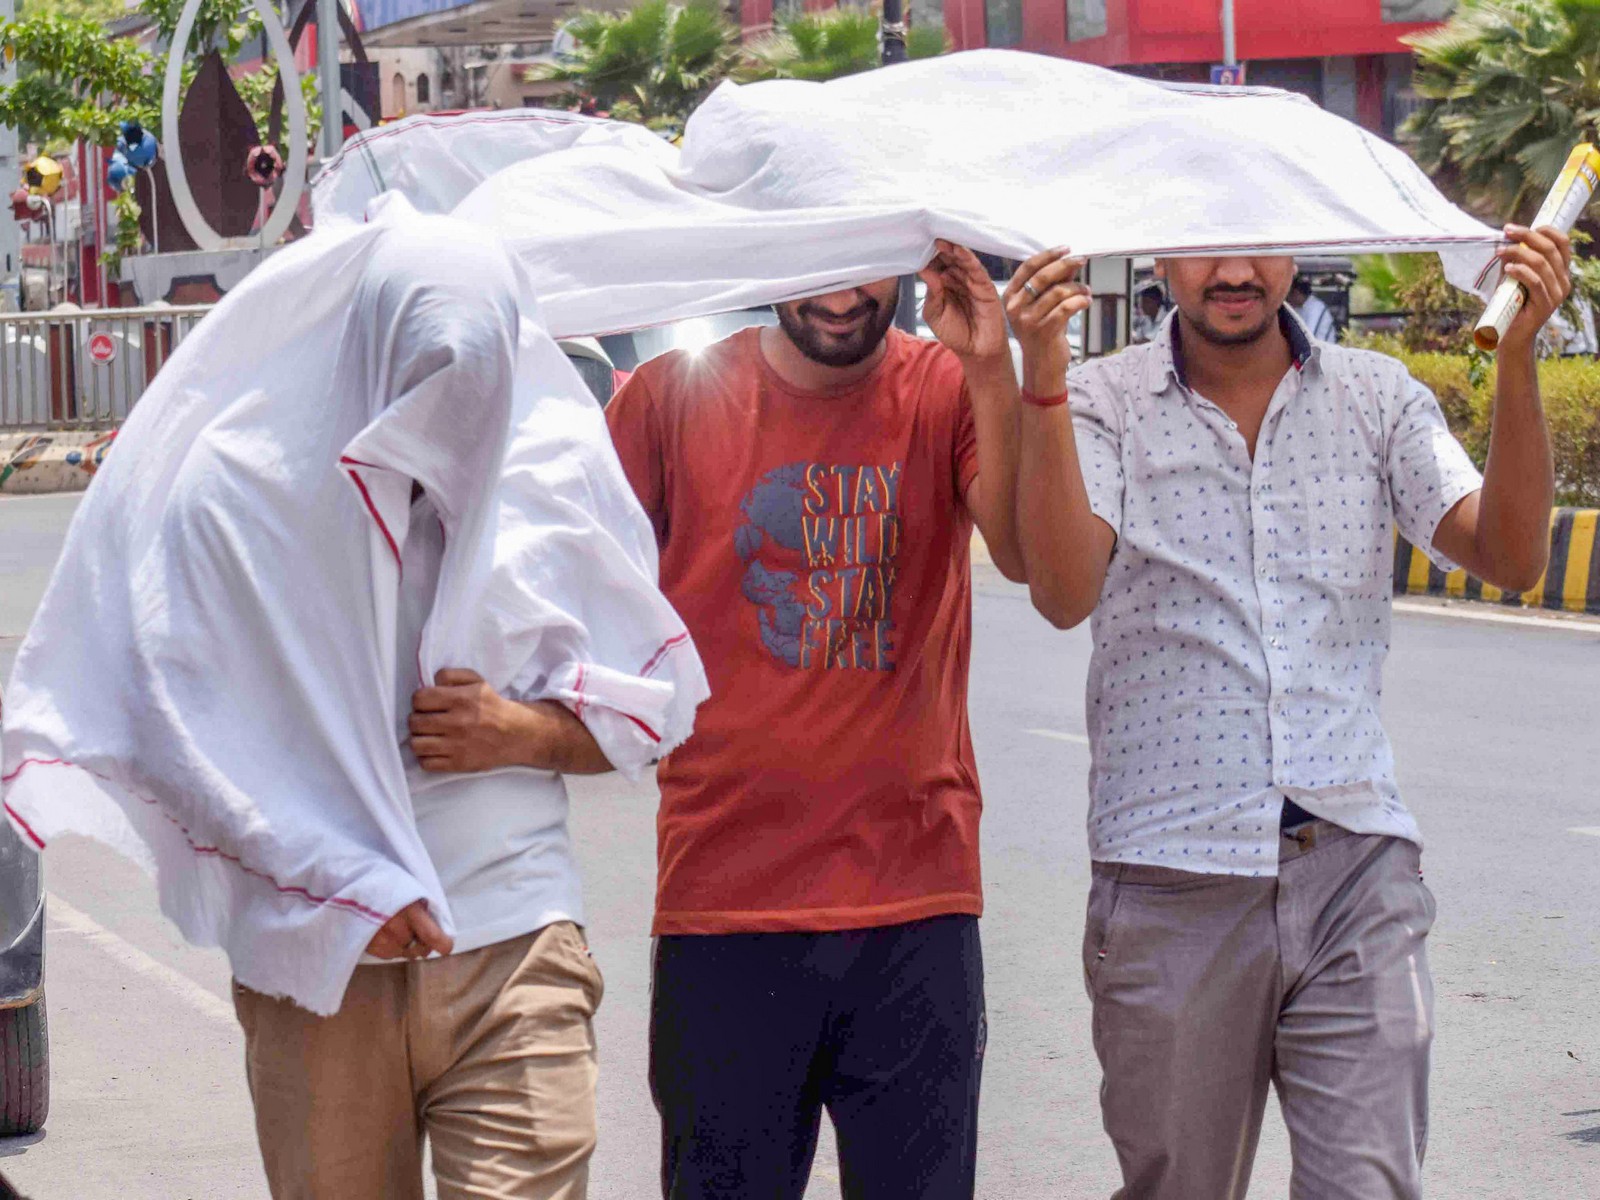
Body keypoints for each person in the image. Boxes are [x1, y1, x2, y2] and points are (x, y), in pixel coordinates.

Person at [1007, 225, 1570, 1199]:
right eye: (1204, 247)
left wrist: (1517, 359)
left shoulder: (1377, 397)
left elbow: (1511, 555)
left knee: (1367, 1185)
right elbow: (1062, 592)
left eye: (1257, 245)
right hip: (1171, 876)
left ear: (1295, 248)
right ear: (1159, 256)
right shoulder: (1100, 403)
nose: (1232, 272)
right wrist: (1043, 377)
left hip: (1356, 871)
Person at [605, 241, 1059, 1199]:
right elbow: (569, 573)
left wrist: (991, 365)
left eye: (867, 263)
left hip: (916, 907)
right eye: (818, 262)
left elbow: (1020, 553)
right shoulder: (665, 399)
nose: (845, 295)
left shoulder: (944, 386)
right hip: (723, 905)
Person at [1289, 273, 1338, 341]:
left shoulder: (1316, 308)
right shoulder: (1300, 307)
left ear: (1296, 293)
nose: (1288, 300)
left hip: (1324, 348)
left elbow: (1309, 336)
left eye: (1289, 296)